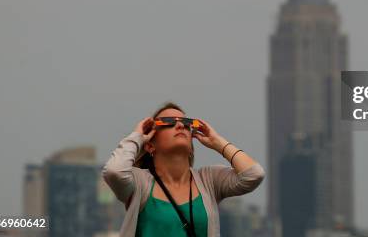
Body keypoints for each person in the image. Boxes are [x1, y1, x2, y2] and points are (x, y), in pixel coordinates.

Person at [102, 101, 265, 237]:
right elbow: (114, 172)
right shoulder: (139, 182)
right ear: (150, 144)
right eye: (169, 122)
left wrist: (218, 142)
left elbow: (253, 174)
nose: (180, 125)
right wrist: (137, 136)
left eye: (187, 123)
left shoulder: (208, 179)